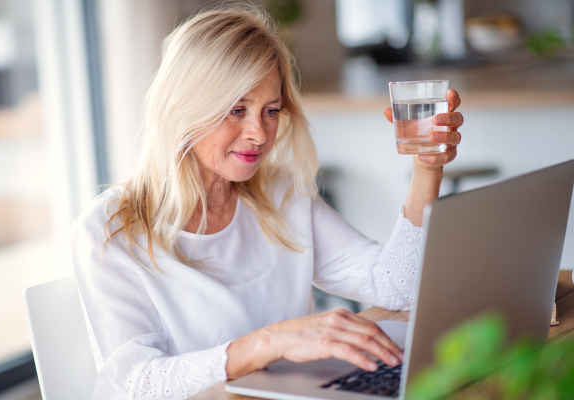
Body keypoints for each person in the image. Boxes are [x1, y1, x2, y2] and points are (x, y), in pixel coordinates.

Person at [72, 5, 464, 400]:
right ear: (184, 107)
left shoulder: (280, 196)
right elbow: (138, 383)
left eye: (271, 111)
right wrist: (270, 342)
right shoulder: (110, 230)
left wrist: (427, 171)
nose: (259, 133)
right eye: (236, 110)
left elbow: (397, 287)